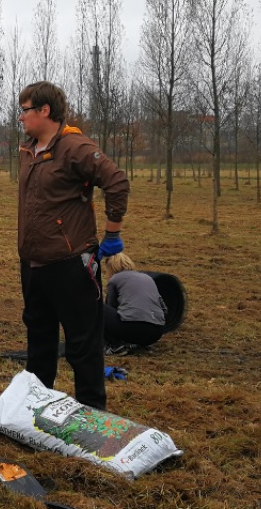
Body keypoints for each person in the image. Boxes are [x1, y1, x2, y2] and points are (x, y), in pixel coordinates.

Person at [17, 81, 130, 411]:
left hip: (71, 264)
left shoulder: (74, 146)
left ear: (44, 111)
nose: (21, 118)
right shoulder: (28, 150)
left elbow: (116, 181)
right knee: (39, 342)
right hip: (33, 264)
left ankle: (93, 416)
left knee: (82, 345)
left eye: (25, 111)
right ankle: (37, 411)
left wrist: (112, 234)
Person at [102, 252, 166, 355]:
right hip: (156, 332)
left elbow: (111, 307)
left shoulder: (115, 279)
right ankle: (138, 344)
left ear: (110, 268)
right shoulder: (148, 278)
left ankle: (115, 346)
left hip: (133, 328)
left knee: (97, 308)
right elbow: (164, 309)